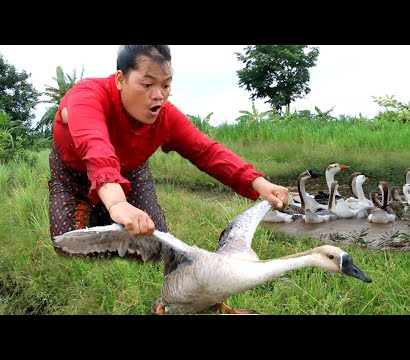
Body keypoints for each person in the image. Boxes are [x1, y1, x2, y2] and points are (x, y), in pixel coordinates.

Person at [49, 45, 289, 272]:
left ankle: (109, 216)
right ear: (121, 79)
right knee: (70, 248)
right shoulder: (87, 96)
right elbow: (96, 148)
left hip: (130, 172)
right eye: (147, 84)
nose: (158, 96)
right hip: (73, 175)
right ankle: (102, 214)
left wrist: (258, 183)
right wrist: (117, 204)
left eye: (165, 86)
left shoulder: (166, 118)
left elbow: (206, 151)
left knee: (155, 245)